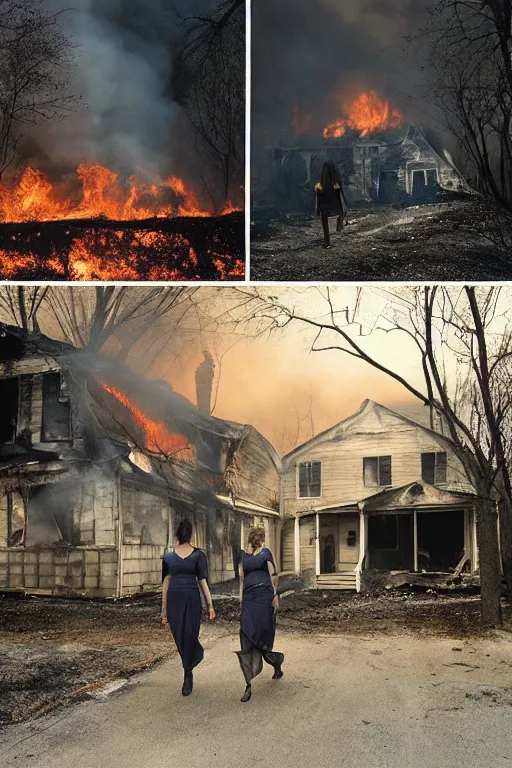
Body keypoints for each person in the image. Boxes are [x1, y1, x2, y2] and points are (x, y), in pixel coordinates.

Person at [161, 519, 215, 696]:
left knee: (187, 636)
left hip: (182, 600)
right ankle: (188, 671)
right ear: (190, 535)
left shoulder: (198, 556)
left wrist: (163, 611)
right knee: (185, 636)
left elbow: (165, 585)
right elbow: (203, 582)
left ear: (177, 535)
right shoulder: (169, 557)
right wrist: (210, 605)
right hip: (185, 599)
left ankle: (188, 672)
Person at [236, 526, 284, 703]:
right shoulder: (243, 557)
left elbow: (274, 575)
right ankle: (248, 684)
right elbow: (242, 579)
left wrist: (274, 595)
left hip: (264, 599)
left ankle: (276, 662)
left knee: (261, 637)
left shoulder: (265, 553)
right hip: (249, 599)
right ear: (259, 538)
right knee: (247, 637)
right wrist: (242, 603)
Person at [315, 160, 348, 248]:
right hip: (335, 207)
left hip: (325, 209)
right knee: (342, 211)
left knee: (324, 217)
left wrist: (317, 209)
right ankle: (339, 223)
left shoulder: (320, 187)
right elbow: (341, 197)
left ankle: (327, 241)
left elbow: (318, 199)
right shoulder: (336, 185)